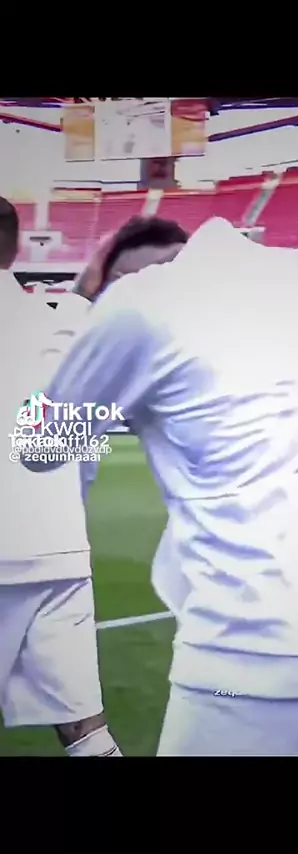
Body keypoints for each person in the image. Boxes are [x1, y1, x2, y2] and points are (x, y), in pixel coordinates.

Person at [24, 214, 298, 756]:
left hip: (251, 658)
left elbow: (39, 446)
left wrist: (78, 305)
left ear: (120, 277)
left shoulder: (136, 301)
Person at [0, 196, 122, 756]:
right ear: (15, 249)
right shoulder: (63, 326)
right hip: (59, 554)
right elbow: (81, 447)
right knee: (83, 728)